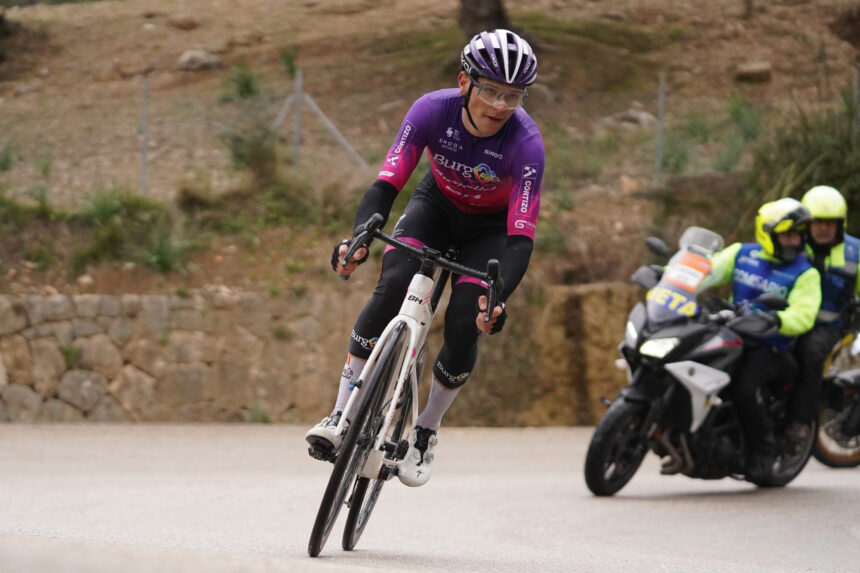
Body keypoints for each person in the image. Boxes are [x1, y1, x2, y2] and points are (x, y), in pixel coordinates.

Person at [305, 29, 545, 487]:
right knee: (392, 282)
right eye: (490, 90)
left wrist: (496, 299)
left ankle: (425, 431)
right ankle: (340, 414)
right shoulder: (431, 110)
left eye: (512, 96)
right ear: (464, 82)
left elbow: (520, 238)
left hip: (489, 233)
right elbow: (387, 183)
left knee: (460, 323)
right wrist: (358, 241)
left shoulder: (527, 143)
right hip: (434, 207)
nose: (498, 105)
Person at [705, 197, 821, 481]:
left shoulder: (806, 273)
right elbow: (709, 271)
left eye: (798, 235)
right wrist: (675, 277)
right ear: (767, 233)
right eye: (787, 234)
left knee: (744, 389)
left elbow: (805, 314)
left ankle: (763, 450)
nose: (794, 241)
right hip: (732, 333)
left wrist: (777, 320)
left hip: (772, 346)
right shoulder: (742, 254)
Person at [788, 185, 860, 441]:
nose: (823, 228)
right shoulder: (790, 242)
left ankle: (800, 420)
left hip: (828, 326)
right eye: (818, 222)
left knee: (809, 354)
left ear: (840, 224)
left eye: (830, 223)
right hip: (789, 318)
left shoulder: (855, 252)